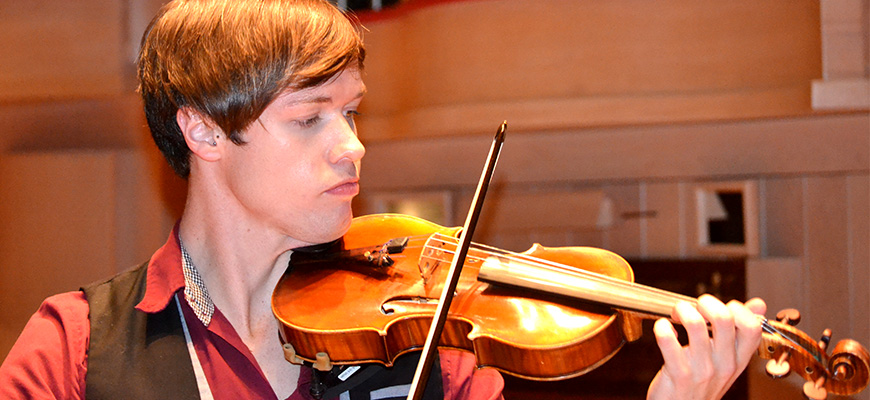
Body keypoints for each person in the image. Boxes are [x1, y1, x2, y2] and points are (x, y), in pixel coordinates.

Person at [0, 0, 767, 399]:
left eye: (351, 111)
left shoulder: (423, 347)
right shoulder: (74, 350)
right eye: (310, 119)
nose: (352, 145)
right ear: (201, 131)